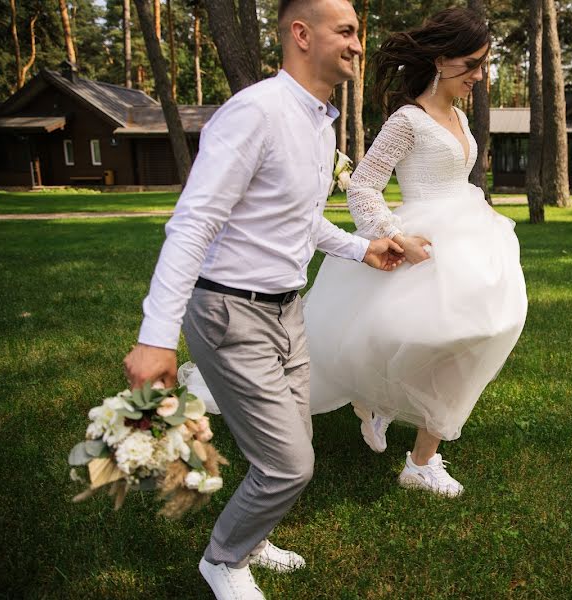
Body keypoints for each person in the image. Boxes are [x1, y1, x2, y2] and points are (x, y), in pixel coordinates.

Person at [122, 0, 403, 598]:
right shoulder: (257, 112)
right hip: (230, 312)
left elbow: (295, 220)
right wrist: (154, 336)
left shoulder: (316, 121)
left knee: (289, 440)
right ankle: (223, 559)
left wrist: (362, 248)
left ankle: (251, 536)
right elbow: (194, 224)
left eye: (358, 33)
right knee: (289, 465)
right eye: (347, 31)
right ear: (302, 34)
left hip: (286, 310)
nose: (358, 44)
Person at [303, 7, 528, 497]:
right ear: (442, 60)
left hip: (469, 236)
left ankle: (393, 414)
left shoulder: (461, 118)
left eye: (482, 64)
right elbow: (362, 186)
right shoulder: (409, 119)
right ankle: (418, 458)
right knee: (443, 336)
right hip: (423, 239)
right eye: (471, 64)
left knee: (486, 328)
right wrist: (392, 233)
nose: (479, 76)